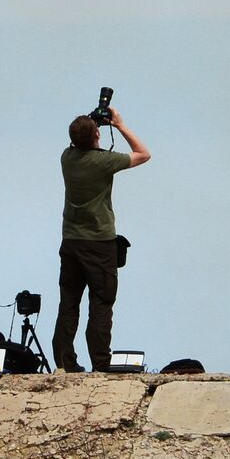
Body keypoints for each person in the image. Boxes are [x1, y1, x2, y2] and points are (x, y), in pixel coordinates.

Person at [52, 106, 150, 372]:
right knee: (101, 303)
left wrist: (89, 125)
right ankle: (100, 363)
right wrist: (119, 125)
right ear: (97, 134)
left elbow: (78, 139)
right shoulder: (103, 161)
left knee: (69, 302)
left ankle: (64, 361)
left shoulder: (67, 157)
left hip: (71, 240)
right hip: (99, 243)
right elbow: (143, 153)